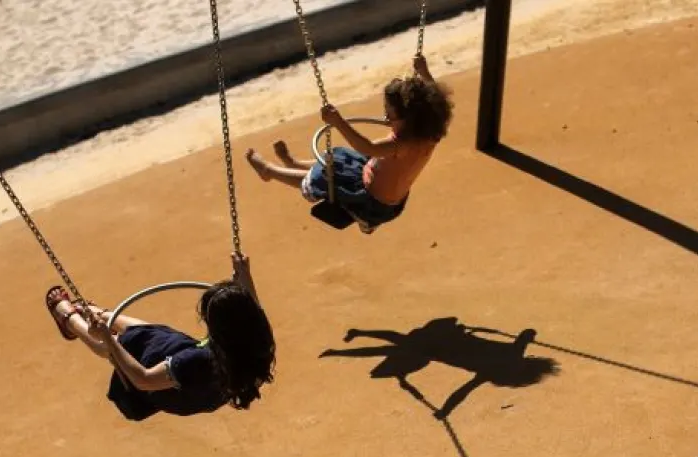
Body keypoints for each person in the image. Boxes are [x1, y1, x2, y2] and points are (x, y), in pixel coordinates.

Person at [45, 255, 275, 421]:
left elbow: (143, 379)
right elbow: (251, 308)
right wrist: (245, 274)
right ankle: (97, 314)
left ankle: (71, 320)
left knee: (122, 346)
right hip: (209, 391)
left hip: (170, 394)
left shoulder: (196, 361)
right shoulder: (260, 340)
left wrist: (108, 338)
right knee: (155, 335)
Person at [244, 54, 453, 233]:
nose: (385, 118)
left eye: (390, 115)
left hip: (371, 201)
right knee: (337, 157)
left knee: (324, 175)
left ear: (408, 118)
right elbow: (435, 100)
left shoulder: (401, 144)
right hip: (381, 183)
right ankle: (294, 164)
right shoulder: (430, 132)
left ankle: (269, 171)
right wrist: (424, 72)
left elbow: (369, 147)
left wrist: (338, 122)